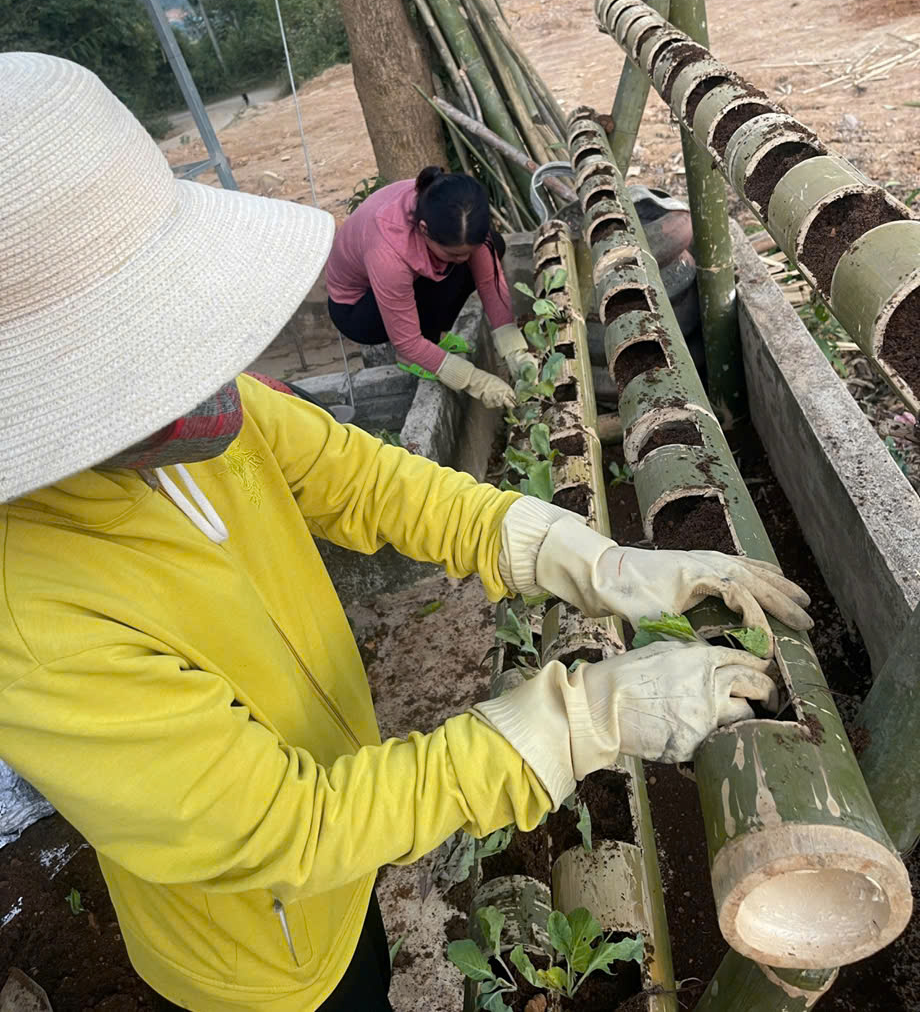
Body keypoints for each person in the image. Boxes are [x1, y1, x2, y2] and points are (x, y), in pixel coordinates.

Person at [0, 54, 813, 1012]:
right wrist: (582, 720)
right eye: (173, 349)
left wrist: (582, 555)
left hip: (343, 868)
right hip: (260, 960)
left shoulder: (212, 424)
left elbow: (371, 481)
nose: (229, 370)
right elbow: (285, 829)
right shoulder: (31, 623)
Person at [326, 167, 537, 410]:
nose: (464, 257)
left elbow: (488, 282)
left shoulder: (456, 212)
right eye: (454, 252)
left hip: (401, 282)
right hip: (358, 310)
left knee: (492, 247)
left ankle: (432, 339)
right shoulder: (388, 253)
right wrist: (473, 380)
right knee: (443, 277)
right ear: (424, 229)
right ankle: (417, 354)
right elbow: (406, 341)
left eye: (468, 250)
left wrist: (514, 349)